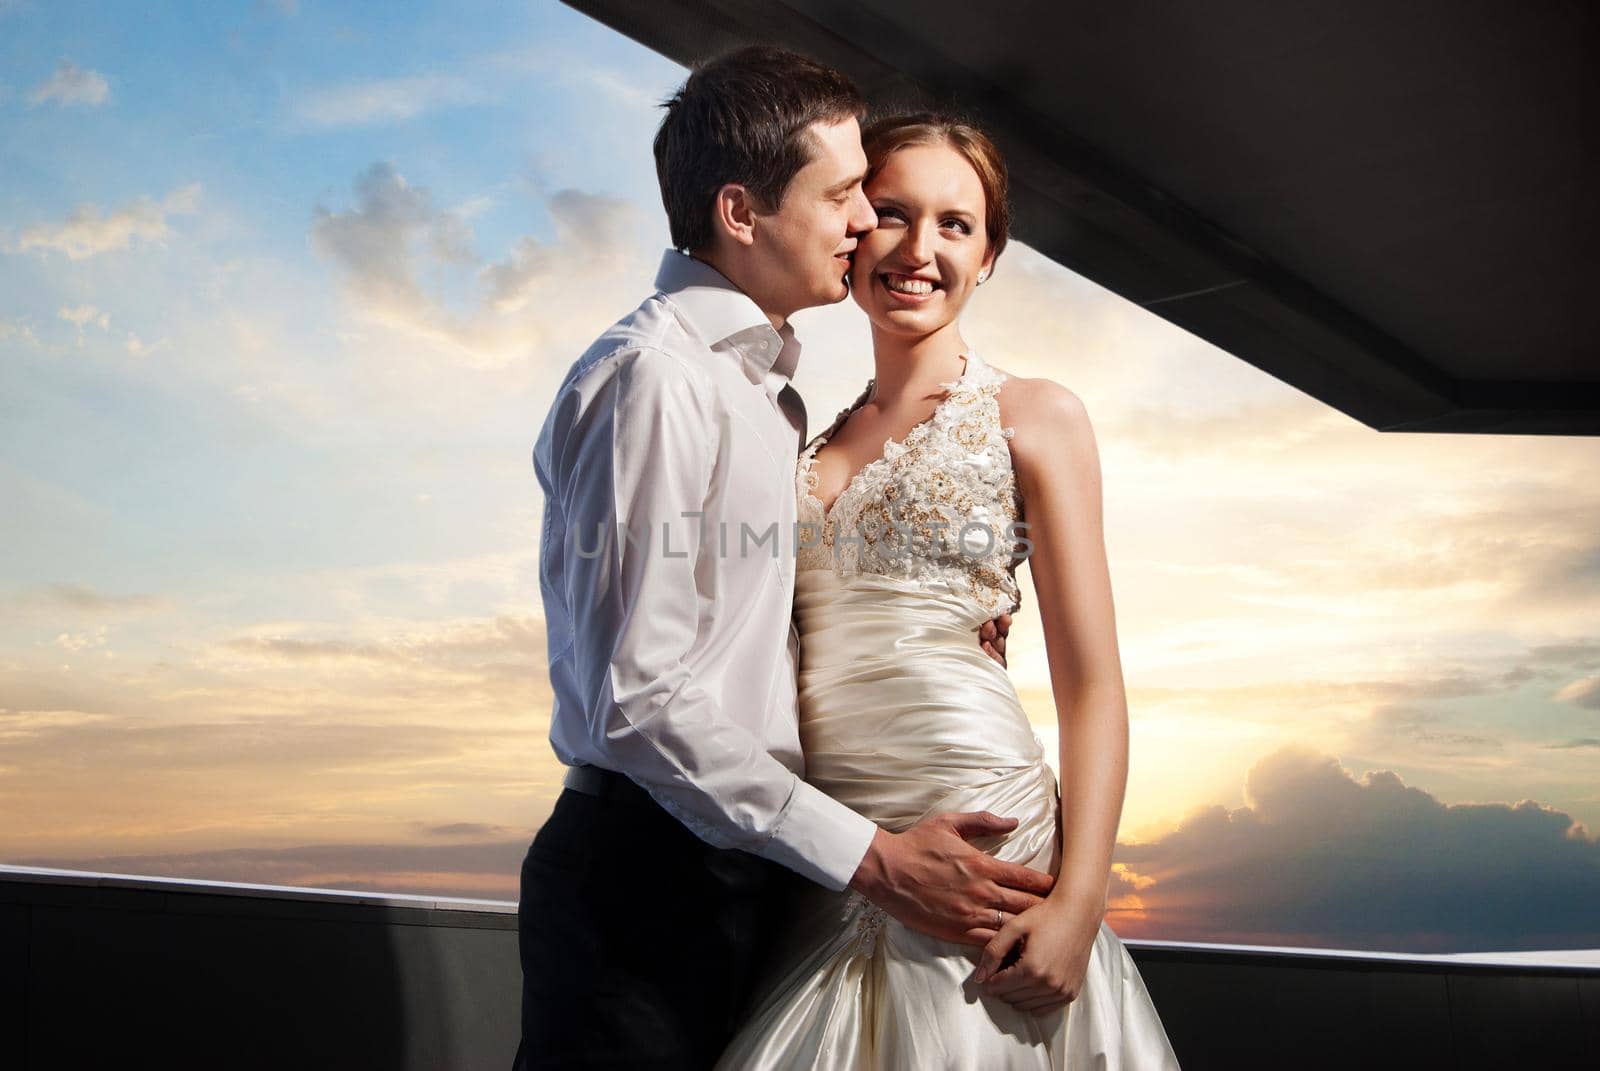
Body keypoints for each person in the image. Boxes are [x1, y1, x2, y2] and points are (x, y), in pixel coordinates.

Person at [515, 47, 1057, 1071]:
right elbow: (640, 701)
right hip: (649, 875)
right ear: (739, 212)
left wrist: (946, 619)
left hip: (748, 871)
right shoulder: (658, 381)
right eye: (848, 194)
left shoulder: (767, 398)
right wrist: (875, 861)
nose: (864, 225)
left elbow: (754, 623)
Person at [712, 112, 1183, 1068]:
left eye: (956, 224)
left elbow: (1092, 684)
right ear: (852, 229)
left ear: (992, 254)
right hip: (842, 855)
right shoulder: (796, 437)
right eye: (889, 213)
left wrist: (1081, 902)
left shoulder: (1034, 416)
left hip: (984, 831)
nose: (918, 250)